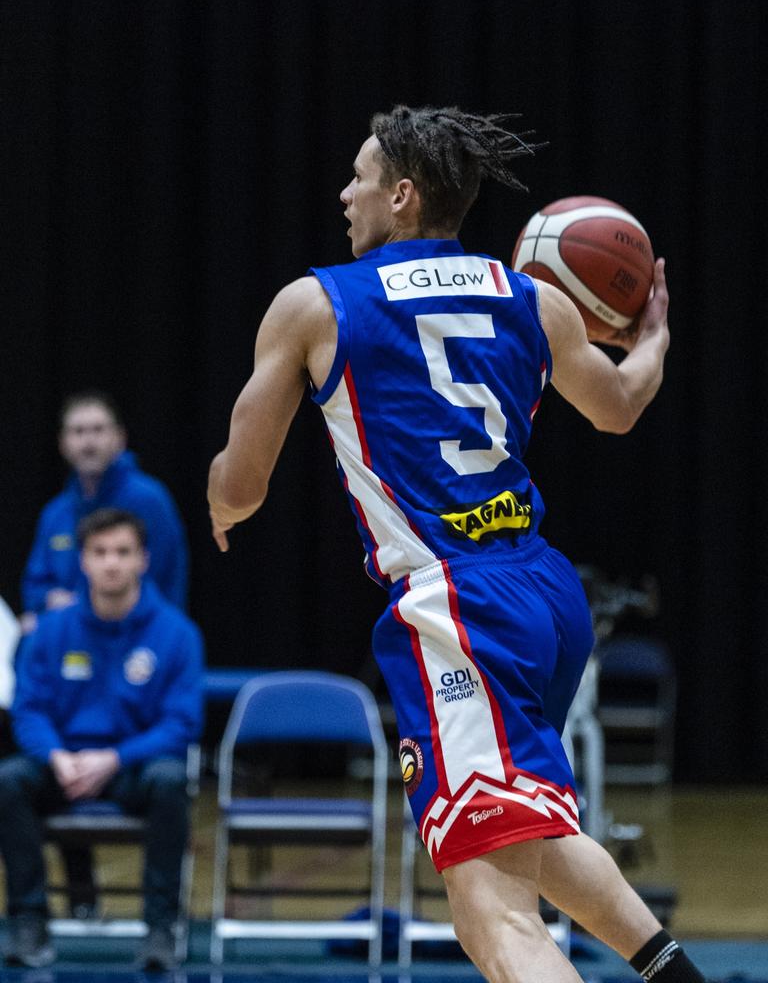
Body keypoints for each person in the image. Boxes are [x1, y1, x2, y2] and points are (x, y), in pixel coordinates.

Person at [207, 106, 702, 983]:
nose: (345, 192)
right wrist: (655, 339)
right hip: (546, 597)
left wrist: (222, 505)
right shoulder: (534, 297)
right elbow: (620, 405)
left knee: (491, 914)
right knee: (526, 831)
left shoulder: (316, 303)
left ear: (401, 195)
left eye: (360, 176)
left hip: (456, 604)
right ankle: (673, 969)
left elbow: (243, 484)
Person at [0, 508, 203, 971]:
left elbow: (182, 723)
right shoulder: (51, 632)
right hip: (64, 766)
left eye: (122, 552)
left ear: (143, 560)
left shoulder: (177, 634)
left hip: (132, 768)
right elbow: (28, 708)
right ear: (84, 562)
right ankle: (29, 922)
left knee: (172, 780)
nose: (112, 563)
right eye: (100, 552)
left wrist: (113, 758)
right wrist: (55, 756)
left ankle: (160, 928)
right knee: (8, 780)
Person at [22, 391, 189, 631]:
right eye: (78, 431)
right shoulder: (55, 512)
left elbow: (165, 580)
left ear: (119, 438)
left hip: (138, 636)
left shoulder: (149, 500)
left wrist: (80, 605)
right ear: (63, 443)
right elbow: (33, 586)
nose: (88, 442)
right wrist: (48, 601)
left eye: (98, 430)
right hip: (70, 637)